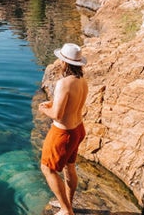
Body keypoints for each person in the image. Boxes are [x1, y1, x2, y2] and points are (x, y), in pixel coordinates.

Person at [38, 43, 89, 215]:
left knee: (47, 169)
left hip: (63, 133)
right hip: (78, 129)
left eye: (61, 60)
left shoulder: (64, 83)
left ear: (65, 63)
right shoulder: (82, 81)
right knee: (69, 166)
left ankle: (66, 210)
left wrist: (44, 109)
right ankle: (68, 203)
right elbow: (72, 105)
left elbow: (58, 115)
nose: (59, 63)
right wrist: (52, 104)